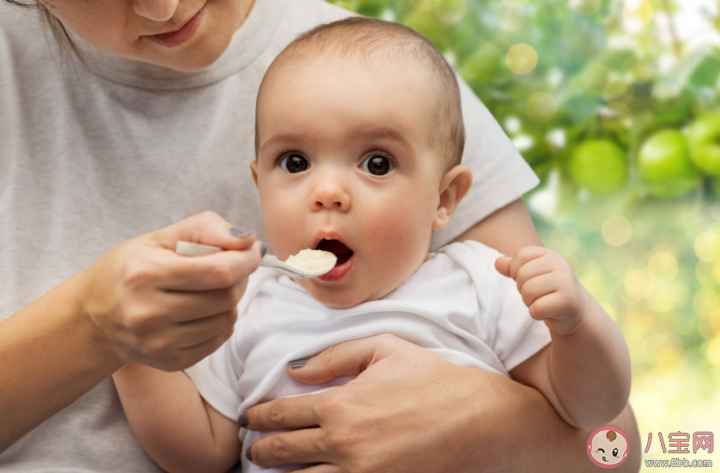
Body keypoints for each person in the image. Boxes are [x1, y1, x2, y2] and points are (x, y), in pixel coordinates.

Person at [0, 0, 641, 471]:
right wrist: (127, 350)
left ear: (444, 199)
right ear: (256, 184)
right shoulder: (248, 309)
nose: (326, 192)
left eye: (377, 165)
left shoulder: (478, 280)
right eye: (295, 164)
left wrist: (576, 326)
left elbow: (605, 433)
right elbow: (201, 453)